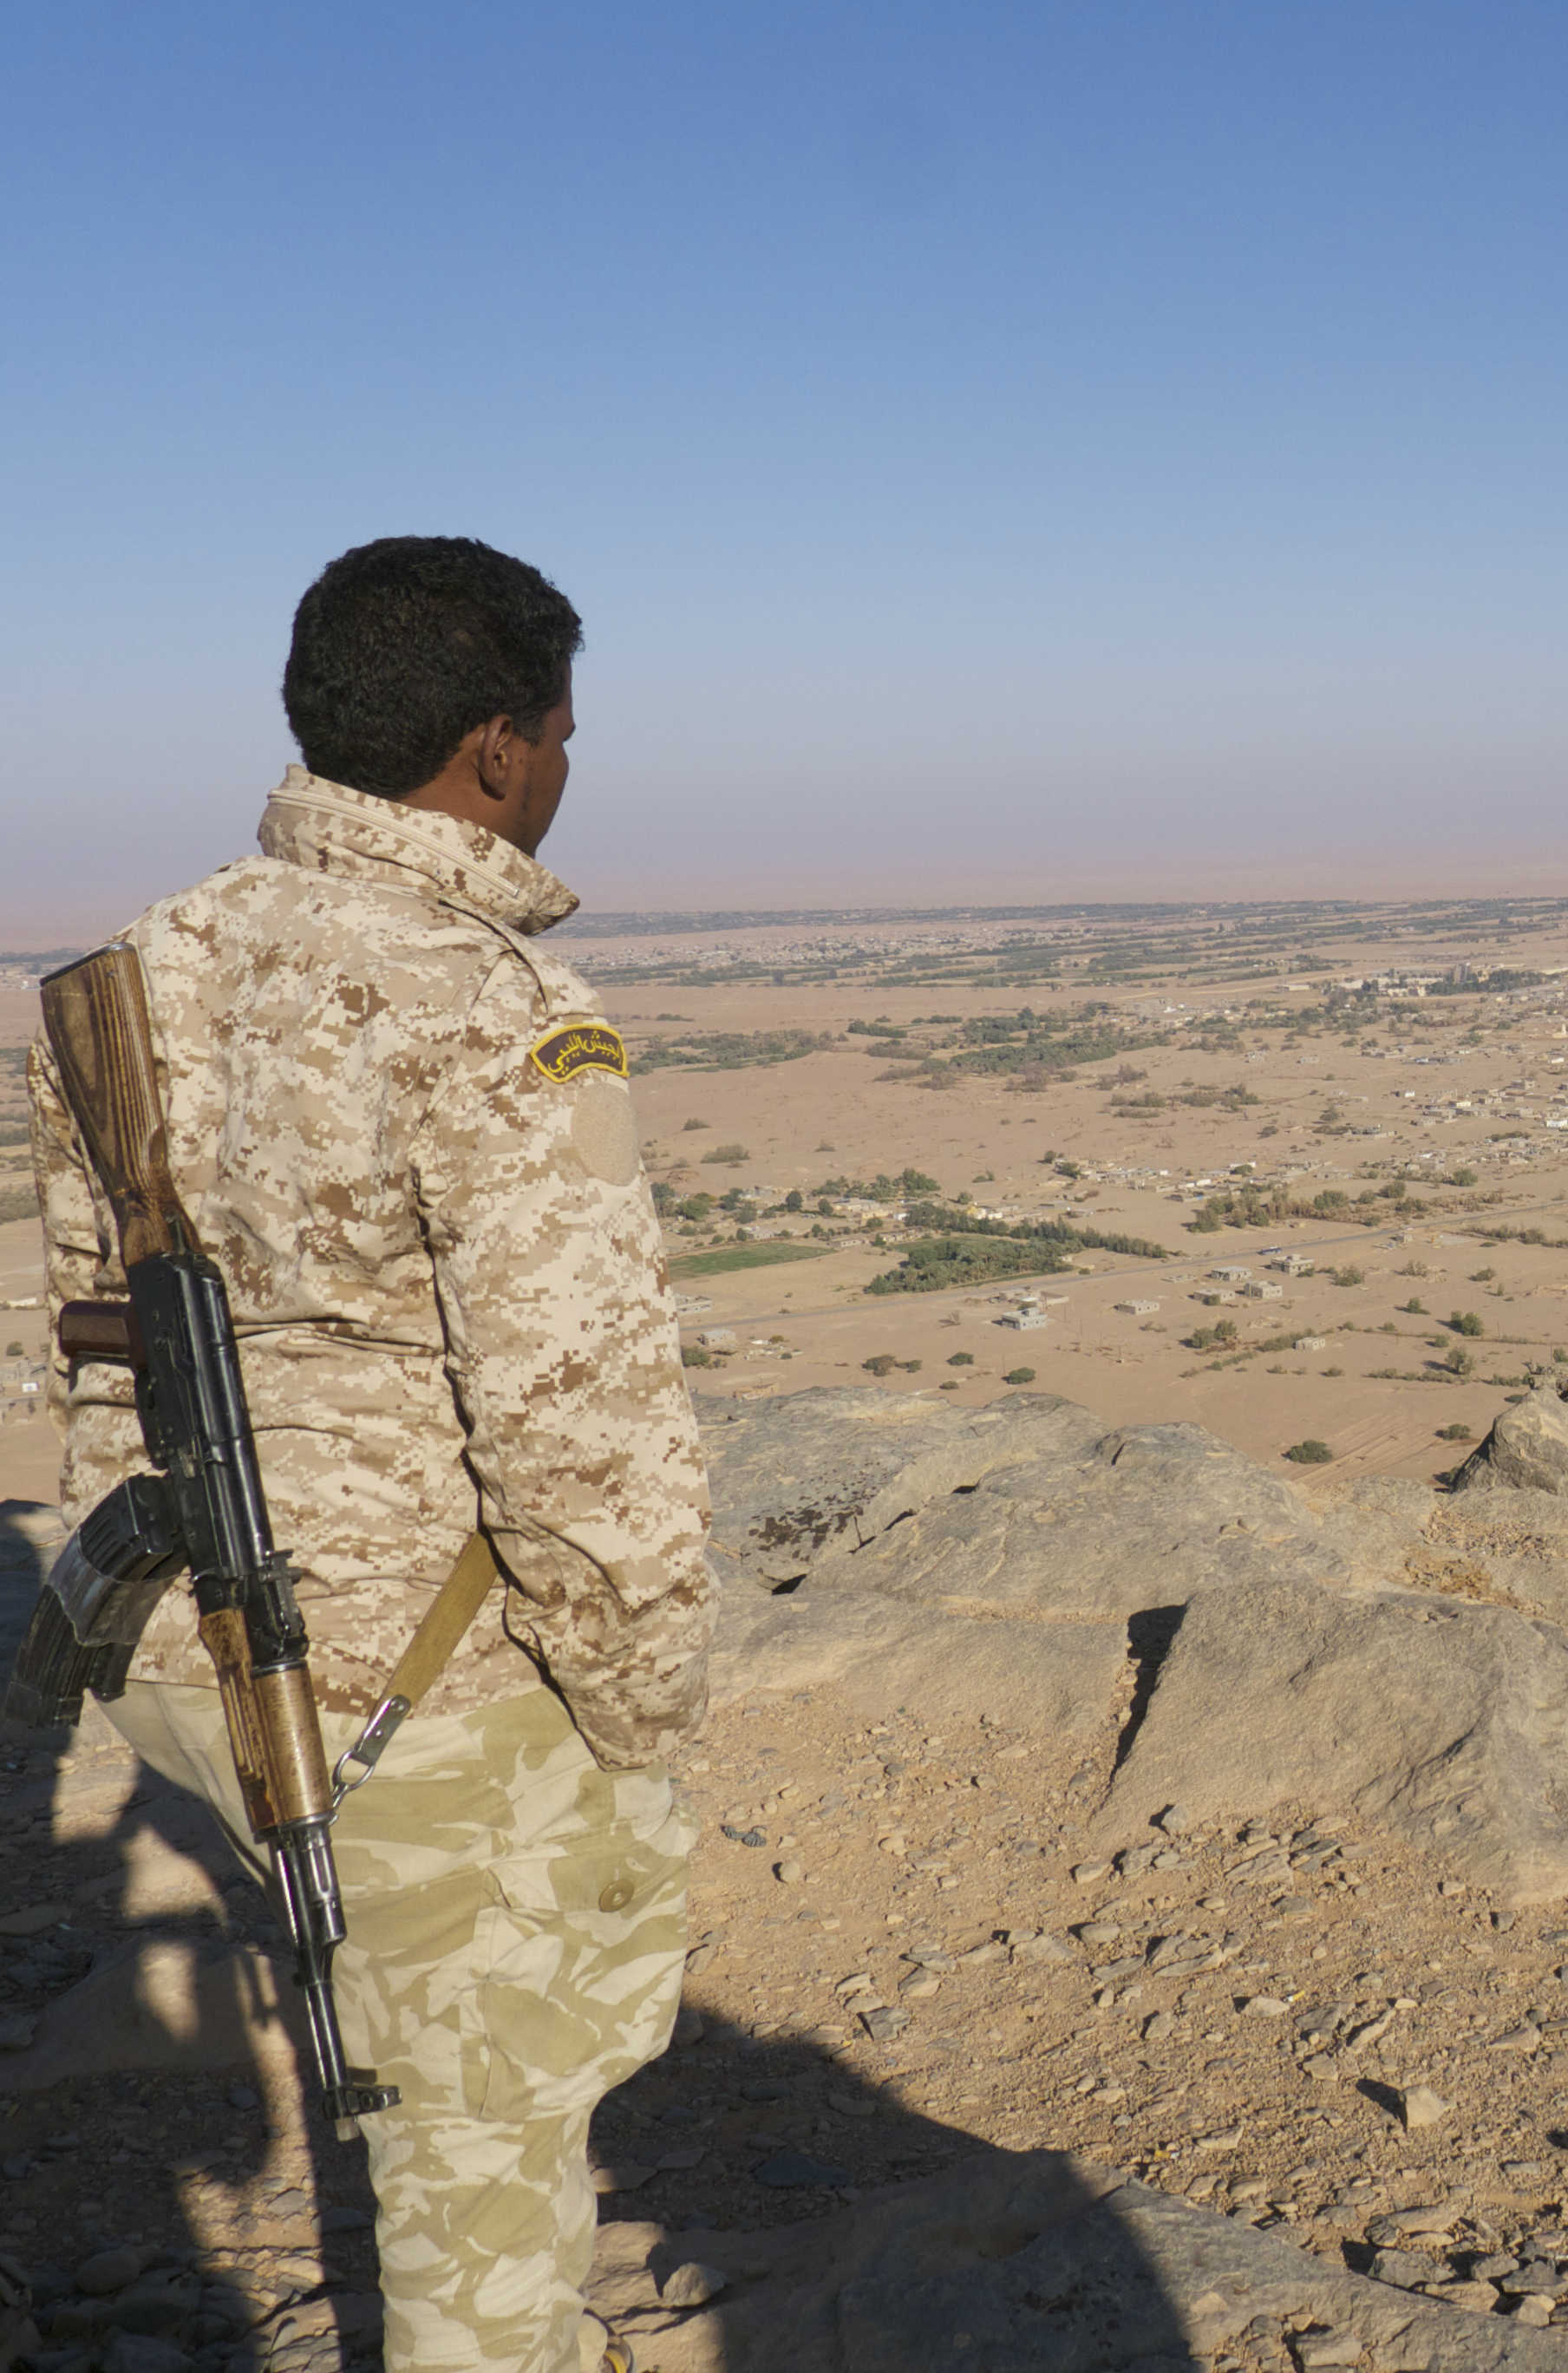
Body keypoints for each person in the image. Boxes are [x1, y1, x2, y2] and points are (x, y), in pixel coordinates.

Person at [30, 536, 715, 2373]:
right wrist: (645, 1712)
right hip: (418, 1684)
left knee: (416, 2070)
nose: (568, 772)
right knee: (478, 2180)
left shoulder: (126, 973)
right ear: (495, 751)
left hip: (186, 1642)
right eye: (563, 734)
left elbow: (97, 1329)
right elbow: (582, 1426)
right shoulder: (497, 1011)